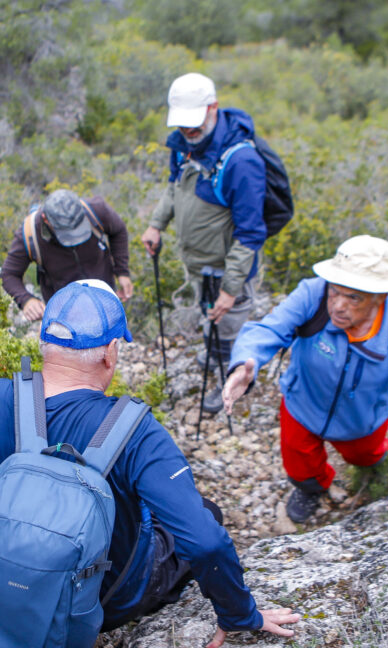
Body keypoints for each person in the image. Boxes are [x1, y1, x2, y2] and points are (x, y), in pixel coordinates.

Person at [0, 280, 298, 648]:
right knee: (207, 512)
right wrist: (239, 612)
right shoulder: (137, 432)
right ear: (110, 353)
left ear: (44, 343)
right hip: (105, 603)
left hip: (3, 584)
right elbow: (205, 542)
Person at [222, 235, 388, 524]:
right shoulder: (313, 294)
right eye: (335, 291)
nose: (338, 306)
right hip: (302, 405)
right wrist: (244, 362)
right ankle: (312, 488)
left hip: (362, 420)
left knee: (366, 457)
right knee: (300, 464)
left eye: (354, 297)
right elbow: (269, 329)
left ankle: (373, 466)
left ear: (380, 296)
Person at [139, 72, 267, 412]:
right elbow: (174, 187)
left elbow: (251, 233)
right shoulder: (184, 146)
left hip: (228, 268)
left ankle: (232, 378)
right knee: (209, 314)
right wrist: (156, 224)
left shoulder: (242, 162)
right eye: (182, 124)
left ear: (213, 108)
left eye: (194, 123)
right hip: (199, 264)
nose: (188, 131)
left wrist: (230, 289)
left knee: (230, 322)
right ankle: (215, 353)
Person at [1, 188, 133, 322]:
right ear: (46, 220)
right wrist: (26, 300)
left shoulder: (95, 211)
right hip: (64, 314)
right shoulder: (31, 234)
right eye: (67, 233)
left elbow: (119, 230)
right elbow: (9, 274)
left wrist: (122, 271)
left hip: (104, 301)